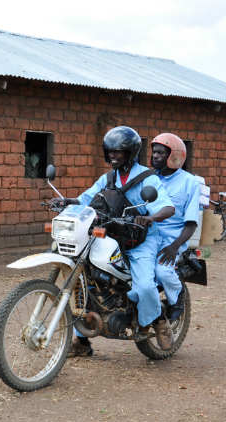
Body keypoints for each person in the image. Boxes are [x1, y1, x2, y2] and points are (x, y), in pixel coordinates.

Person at [53, 126, 175, 356]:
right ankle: (82, 341)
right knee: (86, 280)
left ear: (130, 152)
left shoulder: (147, 178)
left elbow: (167, 207)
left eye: (118, 152)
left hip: (140, 240)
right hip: (111, 236)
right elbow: (85, 199)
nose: (112, 156)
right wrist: (66, 201)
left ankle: (159, 321)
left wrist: (149, 217)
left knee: (145, 287)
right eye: (109, 151)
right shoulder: (108, 178)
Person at [150, 133, 200, 321]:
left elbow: (191, 223)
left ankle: (177, 297)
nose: (155, 156)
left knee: (162, 271)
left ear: (175, 156)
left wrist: (174, 247)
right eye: (154, 152)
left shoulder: (189, 182)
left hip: (172, 240)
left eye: (161, 153)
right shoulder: (149, 178)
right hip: (147, 238)